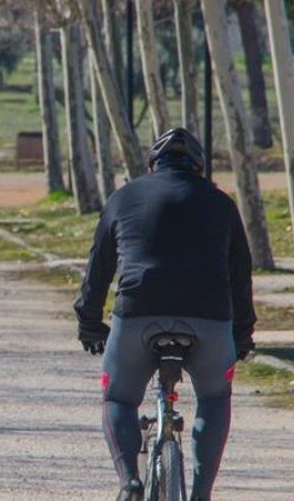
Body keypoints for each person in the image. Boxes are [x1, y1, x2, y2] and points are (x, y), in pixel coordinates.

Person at [73, 128, 255, 501]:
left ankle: (129, 482)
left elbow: (99, 268)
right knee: (214, 398)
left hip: (138, 312)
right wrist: (242, 333)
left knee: (119, 399)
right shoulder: (222, 204)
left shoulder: (124, 198)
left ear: (153, 165)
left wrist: (89, 323)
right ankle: (201, 494)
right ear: (199, 167)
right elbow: (241, 274)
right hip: (209, 318)